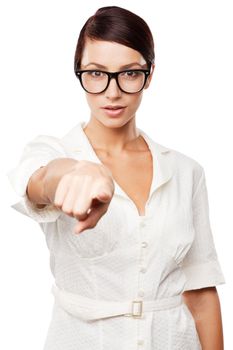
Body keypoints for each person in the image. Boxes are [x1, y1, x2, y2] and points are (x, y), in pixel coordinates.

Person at [7, 5, 225, 350]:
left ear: (149, 75)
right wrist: (77, 171)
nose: (112, 92)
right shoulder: (54, 151)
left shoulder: (187, 171)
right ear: (78, 72)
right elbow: (40, 181)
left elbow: (200, 291)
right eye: (96, 73)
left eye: (129, 73)